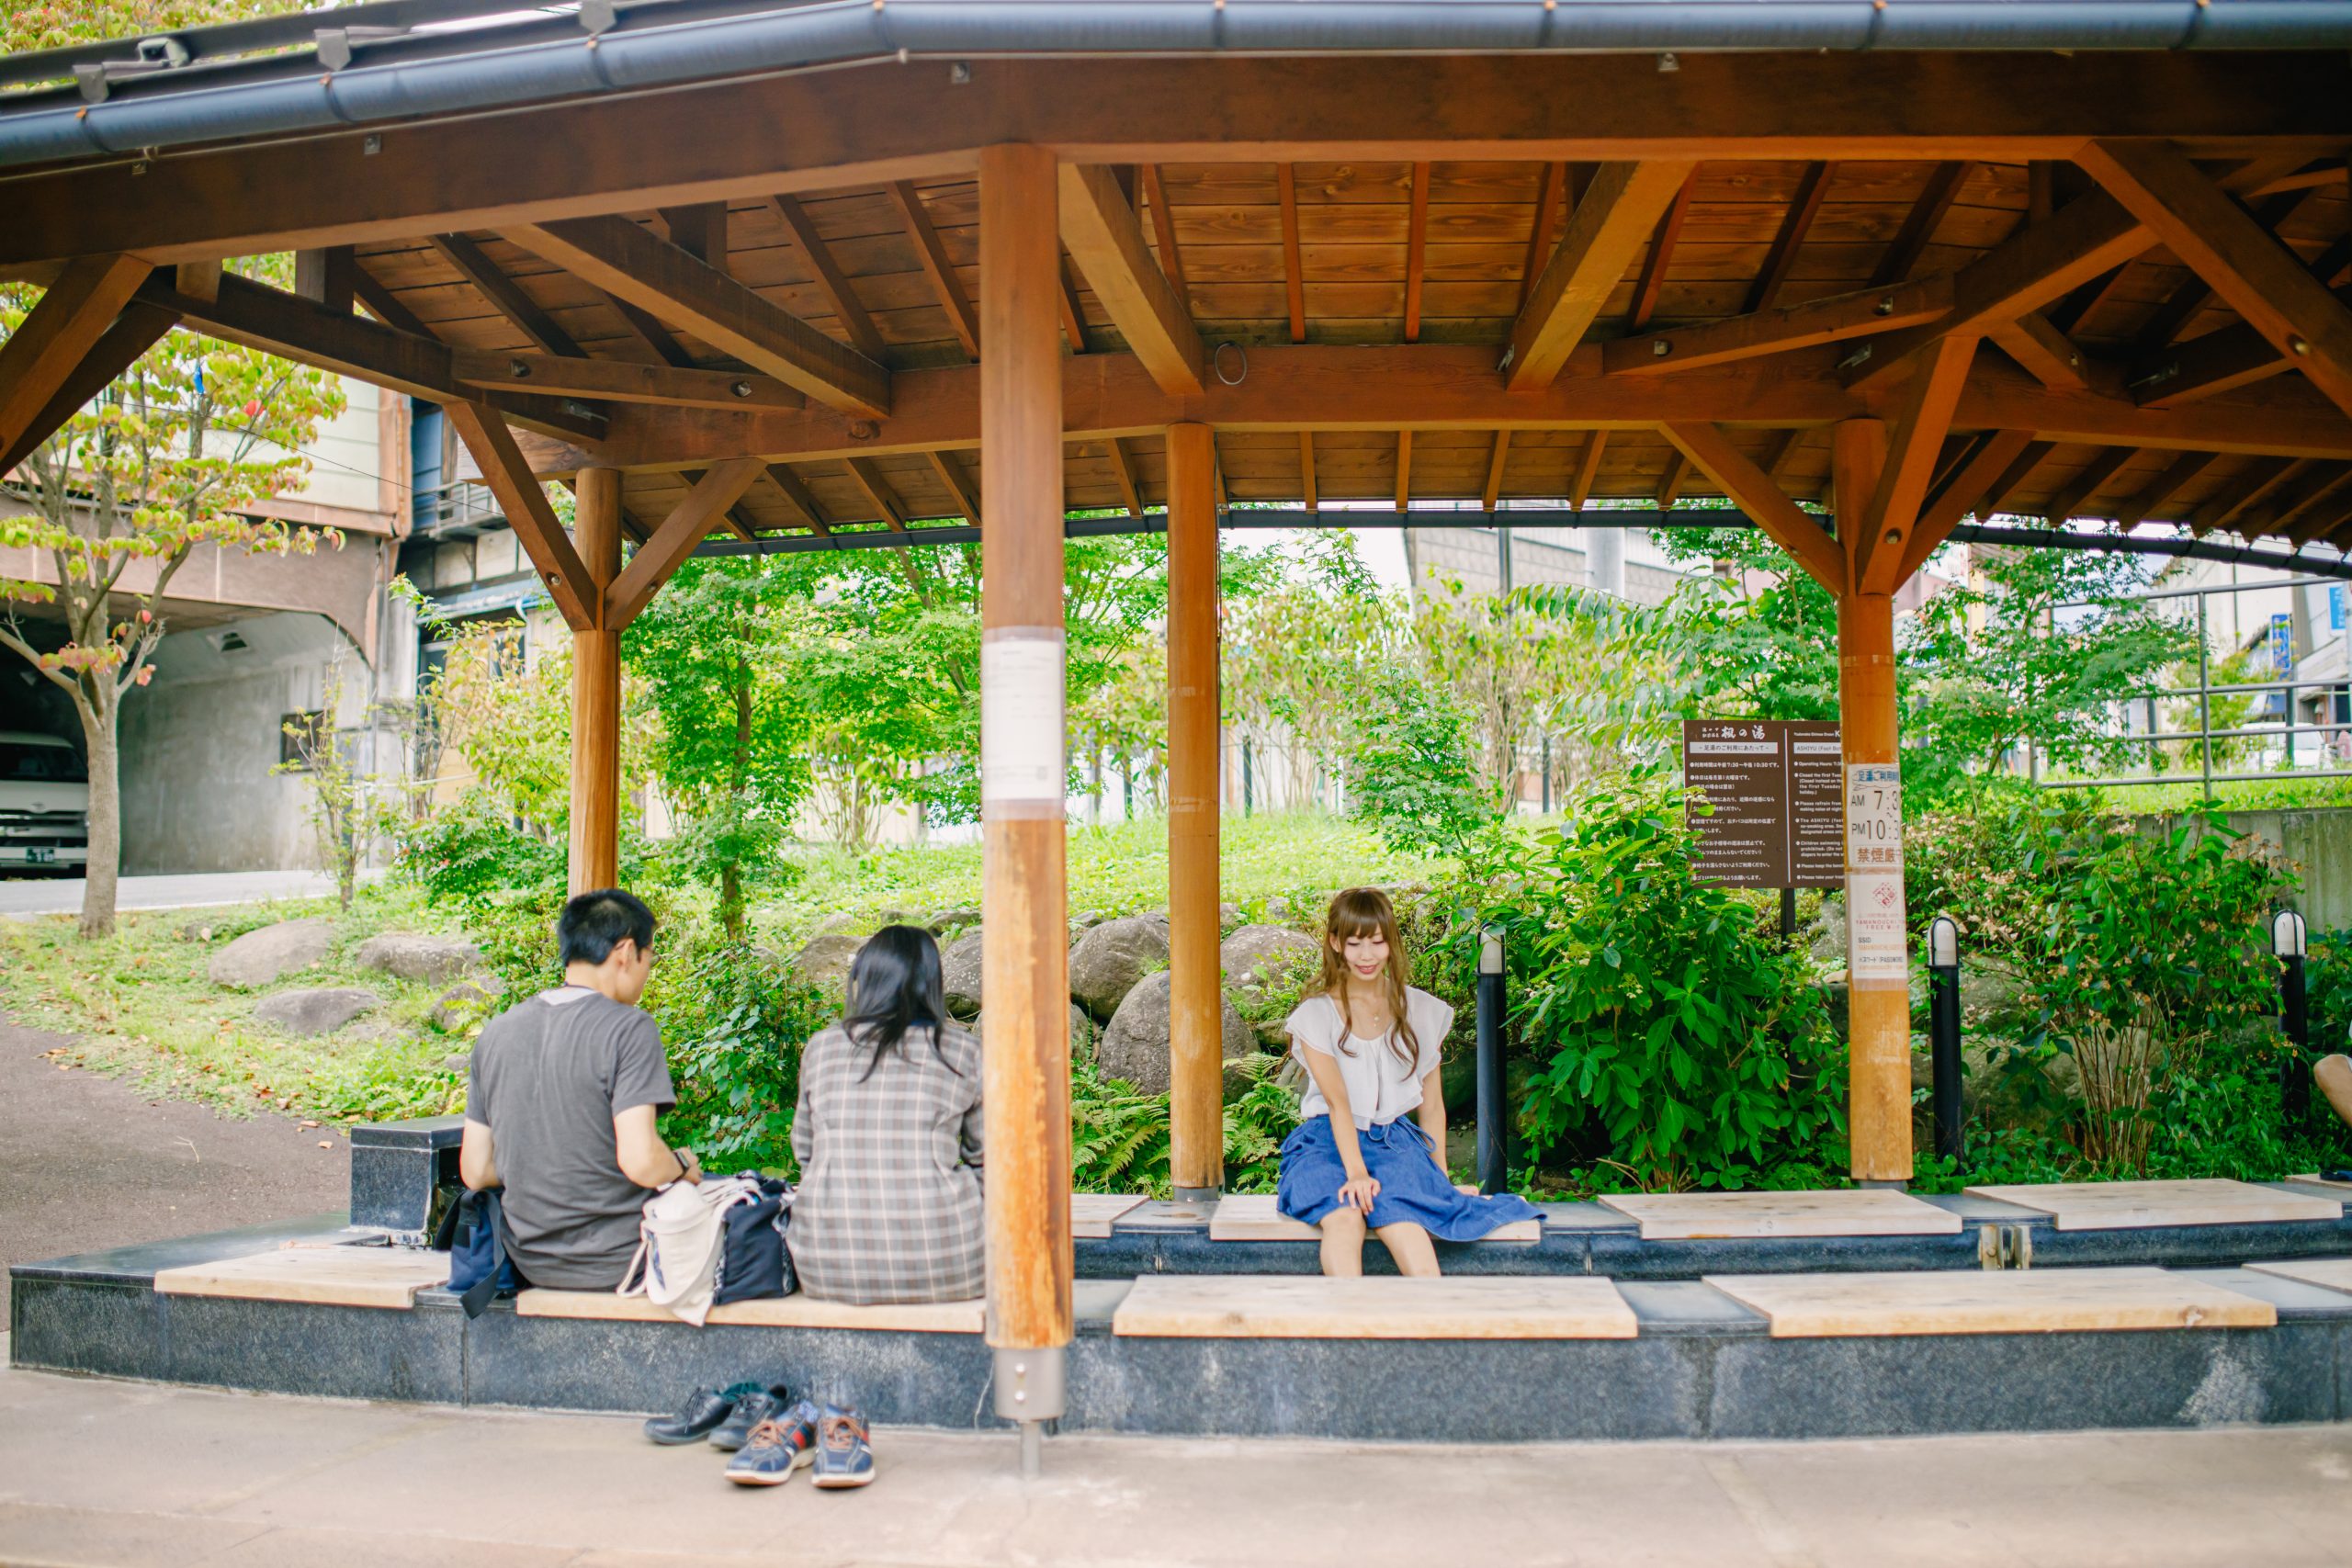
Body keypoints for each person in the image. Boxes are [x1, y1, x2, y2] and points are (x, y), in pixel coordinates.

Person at [1275, 886, 1537, 1277]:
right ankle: (1350, 1330)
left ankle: (1430, 1329)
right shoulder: (1317, 1016)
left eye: (1378, 942)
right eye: (1355, 943)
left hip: (1394, 1144)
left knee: (1404, 1222)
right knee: (1346, 1218)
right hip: (1327, 1142)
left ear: (1390, 942)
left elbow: (1431, 1107)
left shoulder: (1420, 1010)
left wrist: (1440, 1179)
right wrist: (1357, 1173)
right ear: (1335, 943)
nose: (1367, 956)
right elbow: (1338, 1104)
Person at [458, 888, 700, 1291]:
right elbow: (641, 1160)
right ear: (625, 952)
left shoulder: (497, 1033)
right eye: (649, 959)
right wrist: (681, 1167)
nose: (647, 971)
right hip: (623, 1260)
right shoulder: (629, 1027)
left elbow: (476, 1171)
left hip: (529, 1261)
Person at [787, 925, 985, 1304]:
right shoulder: (963, 1051)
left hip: (827, 1268)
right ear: (932, 982)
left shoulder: (822, 1048)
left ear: (864, 980)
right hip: (950, 1263)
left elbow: (806, 1155)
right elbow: (991, 1162)